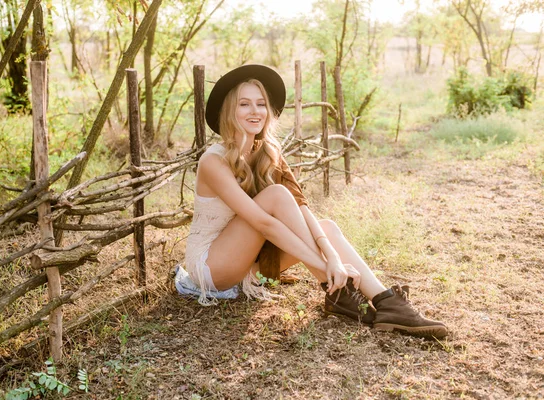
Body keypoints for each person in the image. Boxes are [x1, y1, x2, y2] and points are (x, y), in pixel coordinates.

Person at [178, 64, 448, 339]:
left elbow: (300, 205)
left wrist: (331, 255)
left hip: (246, 262)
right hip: (213, 267)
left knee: (326, 227)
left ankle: (386, 302)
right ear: (229, 111)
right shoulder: (214, 160)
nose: (255, 111)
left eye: (261, 104)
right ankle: (336, 287)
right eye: (244, 104)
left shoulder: (268, 153)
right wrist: (324, 267)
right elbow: (263, 222)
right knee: (276, 195)